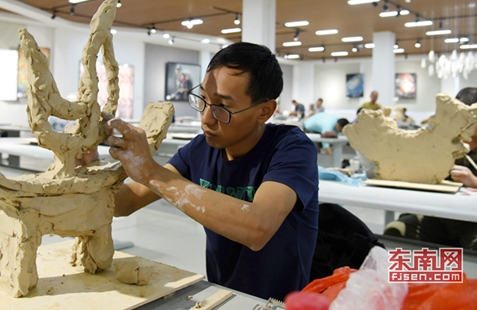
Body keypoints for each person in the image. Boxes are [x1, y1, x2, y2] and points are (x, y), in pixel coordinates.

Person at [104, 42, 319, 300]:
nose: (206, 119)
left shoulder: (291, 149)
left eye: (223, 107)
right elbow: (127, 202)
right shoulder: (200, 149)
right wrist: (85, 167)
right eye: (204, 100)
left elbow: (257, 227)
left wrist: (152, 172)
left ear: (264, 111)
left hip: (280, 303)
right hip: (224, 296)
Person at [384, 86, 477, 253]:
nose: (464, 121)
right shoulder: (439, 137)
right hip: (438, 216)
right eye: (459, 114)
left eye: (473, 117)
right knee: (396, 231)